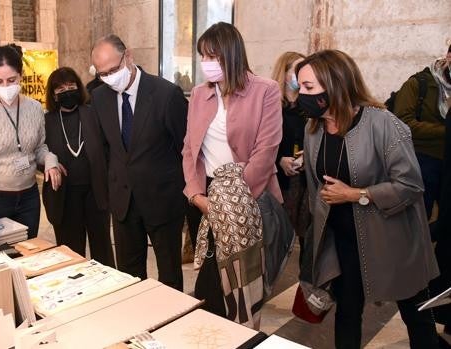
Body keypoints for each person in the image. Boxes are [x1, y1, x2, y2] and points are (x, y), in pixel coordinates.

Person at [297, 49, 439, 349]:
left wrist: (356, 194)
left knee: (415, 316)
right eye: (300, 87)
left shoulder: (383, 123)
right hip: (345, 241)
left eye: (309, 87)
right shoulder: (313, 130)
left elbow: (411, 184)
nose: (302, 96)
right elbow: (315, 191)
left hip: (392, 239)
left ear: (335, 84)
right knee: (347, 313)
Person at [182, 22, 283, 325]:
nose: (206, 64)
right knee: (210, 286)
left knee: (240, 285)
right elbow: (190, 149)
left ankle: (240, 336)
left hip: (248, 197)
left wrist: (235, 202)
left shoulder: (265, 90)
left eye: (212, 57)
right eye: (203, 57)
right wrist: (196, 194)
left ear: (232, 55)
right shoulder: (200, 94)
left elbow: (266, 152)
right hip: (210, 195)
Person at [90, 34, 188, 290]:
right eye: (103, 74)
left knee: (169, 277)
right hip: (123, 204)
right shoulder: (100, 98)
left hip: (163, 201)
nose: (110, 77)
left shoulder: (167, 94)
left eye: (114, 69)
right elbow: (105, 150)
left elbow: (185, 149)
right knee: (129, 278)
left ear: (129, 56)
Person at [0, 44, 64, 239]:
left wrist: (50, 161)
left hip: (29, 197)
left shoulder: (34, 108)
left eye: (11, 80)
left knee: (28, 255)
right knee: (1, 259)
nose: (6, 87)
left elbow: (39, 147)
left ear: (21, 76)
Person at [42, 67, 115, 267]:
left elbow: (109, 147)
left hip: (95, 192)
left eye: (71, 86)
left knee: (103, 249)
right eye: (61, 88)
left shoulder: (92, 114)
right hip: (65, 196)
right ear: (54, 94)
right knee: (70, 253)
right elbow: (38, 154)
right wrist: (50, 164)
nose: (67, 91)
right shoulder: (46, 121)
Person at [393, 44, 451, 224]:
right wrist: (446, 131)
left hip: (447, 163)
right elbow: (403, 123)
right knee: (417, 221)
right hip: (422, 161)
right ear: (448, 56)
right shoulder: (419, 84)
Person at [271, 51, 309, 259]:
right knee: (278, 235)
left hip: (304, 181)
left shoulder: (308, 106)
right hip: (278, 179)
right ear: (284, 73)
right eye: (296, 69)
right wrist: (279, 159)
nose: (300, 75)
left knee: (306, 234)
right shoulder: (271, 105)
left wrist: (307, 157)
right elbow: (260, 142)